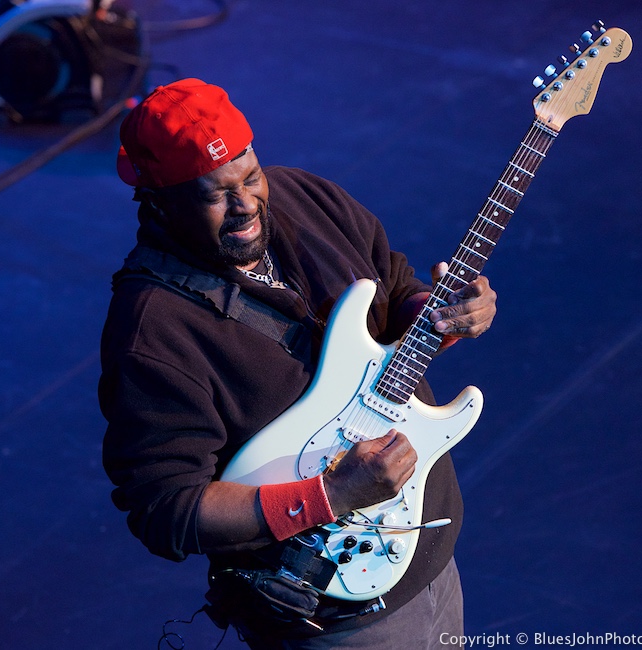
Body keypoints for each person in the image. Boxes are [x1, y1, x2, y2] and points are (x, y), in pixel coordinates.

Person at [99, 78, 497, 649]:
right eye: (216, 195)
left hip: (428, 551)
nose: (246, 207)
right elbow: (168, 509)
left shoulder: (308, 198)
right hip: (333, 618)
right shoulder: (152, 330)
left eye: (250, 177)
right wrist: (330, 496)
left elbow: (399, 290)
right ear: (161, 204)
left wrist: (446, 313)